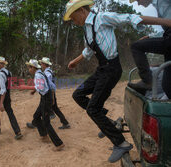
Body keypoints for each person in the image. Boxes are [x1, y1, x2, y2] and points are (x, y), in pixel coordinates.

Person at [63, 0, 171, 163]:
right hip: (101, 70)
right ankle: (109, 122)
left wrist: (164, 22)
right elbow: (88, 50)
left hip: (111, 70)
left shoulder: (102, 18)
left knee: (93, 109)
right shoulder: (87, 29)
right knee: (78, 94)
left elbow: (129, 17)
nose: (73, 21)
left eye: (73, 17)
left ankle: (120, 143)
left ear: (81, 11)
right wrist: (76, 61)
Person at [128, 0, 171, 99]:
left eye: (137, 0)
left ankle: (147, 82)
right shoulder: (159, 5)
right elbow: (167, 31)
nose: (138, 4)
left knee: (136, 46)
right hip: (168, 42)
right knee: (167, 87)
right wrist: (152, 36)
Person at [19, 59, 65, 151]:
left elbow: (41, 87)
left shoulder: (39, 75)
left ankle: (59, 144)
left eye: (29, 68)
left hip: (45, 100)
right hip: (45, 98)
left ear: (33, 68)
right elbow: (51, 86)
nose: (29, 70)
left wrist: (26, 87)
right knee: (36, 117)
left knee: (46, 122)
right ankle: (44, 136)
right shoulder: (41, 74)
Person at [27, 57, 70, 130]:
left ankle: (64, 122)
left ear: (44, 64)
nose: (40, 65)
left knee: (52, 108)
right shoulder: (50, 71)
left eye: (41, 63)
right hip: (49, 93)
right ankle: (35, 122)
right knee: (49, 108)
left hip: (49, 94)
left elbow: (50, 86)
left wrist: (52, 97)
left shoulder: (47, 73)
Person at [0, 56, 23, 140]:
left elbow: (2, 89)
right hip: (7, 94)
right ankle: (17, 131)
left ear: (2, 64)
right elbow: (9, 86)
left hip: (0, 94)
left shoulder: (0, 74)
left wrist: (1, 103)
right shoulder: (8, 72)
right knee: (10, 112)